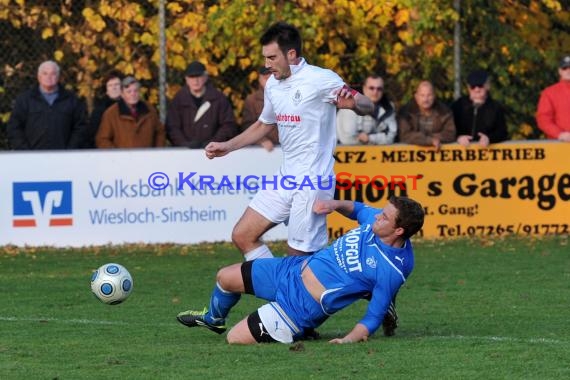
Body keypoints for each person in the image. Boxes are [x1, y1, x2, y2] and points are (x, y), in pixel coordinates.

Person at [205, 21, 374, 261]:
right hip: (286, 176)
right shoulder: (273, 83)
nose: (266, 65)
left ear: (291, 54)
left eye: (272, 57)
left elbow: (369, 104)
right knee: (243, 235)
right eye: (265, 58)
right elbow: (263, 124)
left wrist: (356, 105)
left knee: (298, 257)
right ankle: (278, 289)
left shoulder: (321, 79)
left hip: (313, 180)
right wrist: (227, 146)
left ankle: (300, 294)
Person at [176, 196, 425, 344]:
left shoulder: (393, 268)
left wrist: (348, 339)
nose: (377, 217)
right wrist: (333, 204)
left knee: (235, 339)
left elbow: (372, 316)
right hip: (291, 270)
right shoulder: (375, 221)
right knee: (224, 277)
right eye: (381, 212)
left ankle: (300, 329)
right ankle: (213, 320)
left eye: (384, 217)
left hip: (299, 307)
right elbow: (358, 209)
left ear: (399, 231)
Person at [7, 60, 87, 150]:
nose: (49, 77)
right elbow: (14, 127)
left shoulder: (71, 99)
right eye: (45, 73)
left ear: (58, 77)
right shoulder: (25, 99)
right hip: (32, 158)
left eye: (53, 74)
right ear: (39, 77)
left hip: (63, 157)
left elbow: (80, 127)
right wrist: (25, 151)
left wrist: (70, 150)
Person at [166, 61, 238, 148]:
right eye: (192, 77)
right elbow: (172, 127)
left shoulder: (219, 99)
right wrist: (184, 145)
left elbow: (228, 125)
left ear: (205, 77)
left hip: (214, 151)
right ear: (186, 79)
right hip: (185, 153)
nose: (195, 81)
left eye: (198, 76)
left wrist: (214, 143)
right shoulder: (178, 100)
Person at [95, 76, 165, 148]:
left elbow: (160, 132)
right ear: (122, 94)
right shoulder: (111, 113)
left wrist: (157, 152)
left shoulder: (150, 110)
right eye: (129, 91)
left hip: (147, 158)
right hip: (122, 158)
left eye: (136, 91)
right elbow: (102, 139)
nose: (133, 94)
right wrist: (117, 155)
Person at [451, 70, 508, 147]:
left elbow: (502, 132)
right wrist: (458, 138)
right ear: (468, 88)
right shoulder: (458, 106)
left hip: (486, 154)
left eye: (480, 86)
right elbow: (448, 130)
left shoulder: (496, 107)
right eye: (473, 87)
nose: (477, 90)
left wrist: (489, 139)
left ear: (487, 86)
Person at [337, 74, 397, 145]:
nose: (375, 92)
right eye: (371, 88)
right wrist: (378, 139)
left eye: (379, 89)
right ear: (364, 88)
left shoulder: (388, 108)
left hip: (376, 154)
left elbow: (390, 137)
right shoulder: (350, 105)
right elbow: (347, 140)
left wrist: (369, 138)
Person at [398, 81, 456, 149]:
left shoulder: (444, 111)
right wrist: (429, 140)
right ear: (416, 97)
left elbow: (450, 133)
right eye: (422, 95)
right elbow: (405, 135)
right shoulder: (406, 112)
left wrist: (431, 138)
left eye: (429, 95)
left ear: (434, 96)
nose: (426, 99)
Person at [241, 66, 279, 151]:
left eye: (272, 78)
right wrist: (260, 140)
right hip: (263, 150)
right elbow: (246, 126)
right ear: (259, 79)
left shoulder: (288, 95)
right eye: (265, 78)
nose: (269, 82)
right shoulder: (252, 100)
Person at [536, 55, 570, 142]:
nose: (568, 71)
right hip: (560, 145)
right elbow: (543, 119)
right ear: (560, 71)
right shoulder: (549, 93)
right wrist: (559, 134)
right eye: (565, 68)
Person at [86, 70, 123, 148]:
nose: (114, 88)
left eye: (117, 84)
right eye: (110, 85)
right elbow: (92, 136)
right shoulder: (99, 111)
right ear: (106, 90)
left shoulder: (131, 107)